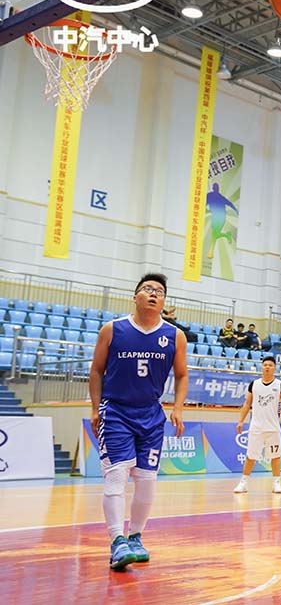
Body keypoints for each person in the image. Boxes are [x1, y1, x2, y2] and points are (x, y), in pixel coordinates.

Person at [88, 273, 188, 571]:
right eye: (147, 289)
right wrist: (95, 409)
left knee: (146, 481)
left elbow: (182, 374)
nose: (154, 294)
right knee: (116, 475)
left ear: (165, 302)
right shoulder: (112, 329)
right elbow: (96, 371)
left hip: (151, 415)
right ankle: (117, 541)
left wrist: (178, 408)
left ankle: (135, 537)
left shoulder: (175, 336)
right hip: (116, 412)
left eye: (160, 291)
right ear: (135, 297)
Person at [234, 356, 281, 494]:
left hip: (273, 427)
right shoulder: (254, 384)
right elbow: (247, 403)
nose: (267, 367)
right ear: (262, 367)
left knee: (275, 456)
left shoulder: (280, 384)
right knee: (251, 456)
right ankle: (243, 483)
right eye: (265, 365)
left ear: (274, 368)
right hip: (256, 427)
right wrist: (241, 420)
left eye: (270, 365)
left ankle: (276, 483)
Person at [205, 182, 238, 260]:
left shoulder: (217, 196)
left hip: (220, 216)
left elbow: (230, 204)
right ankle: (226, 235)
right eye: (216, 188)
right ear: (214, 188)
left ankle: (211, 252)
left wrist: (236, 211)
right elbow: (204, 204)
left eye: (217, 188)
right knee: (215, 233)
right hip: (217, 215)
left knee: (214, 234)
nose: (216, 189)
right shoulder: (211, 195)